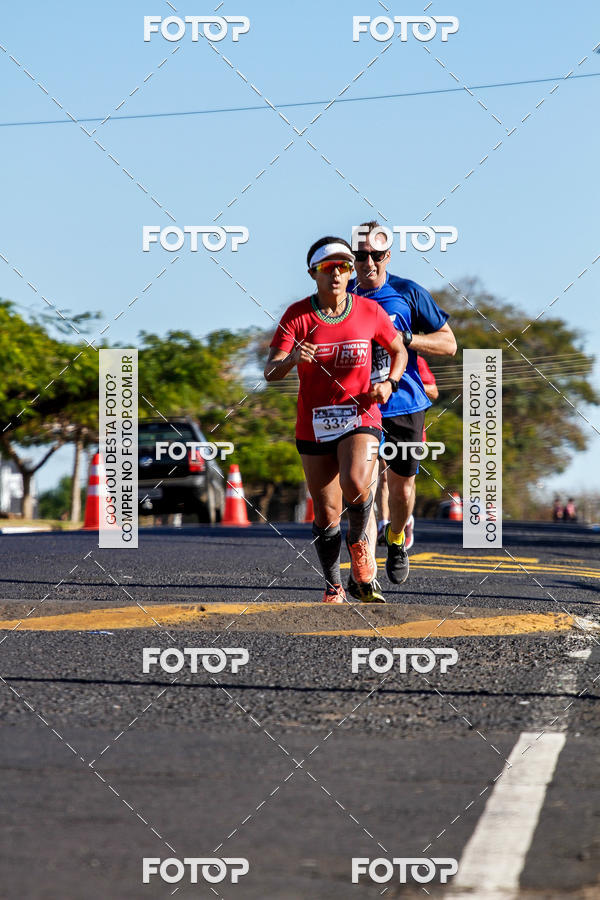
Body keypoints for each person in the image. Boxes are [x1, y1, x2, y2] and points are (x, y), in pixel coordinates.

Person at [264, 235, 407, 603]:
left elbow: (398, 350)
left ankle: (360, 544)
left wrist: (390, 383)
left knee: (357, 482)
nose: (338, 275)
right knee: (326, 512)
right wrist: (293, 358)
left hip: (361, 413)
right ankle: (333, 584)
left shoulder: (368, 311)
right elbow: (270, 372)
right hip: (314, 422)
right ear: (314, 273)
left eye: (344, 267)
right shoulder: (297, 315)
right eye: (329, 269)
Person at [349, 222, 457, 586]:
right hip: (360, 406)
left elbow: (448, 344)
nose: (368, 263)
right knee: (359, 485)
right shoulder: (342, 296)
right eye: (361, 256)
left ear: (387, 255)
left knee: (402, 489)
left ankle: (396, 540)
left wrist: (408, 339)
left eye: (376, 255)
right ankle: (362, 566)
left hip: (404, 404)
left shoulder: (408, 292)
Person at [376, 355, 438, 549]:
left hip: (407, 421)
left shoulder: (416, 359)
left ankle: (405, 521)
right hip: (377, 419)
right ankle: (383, 524)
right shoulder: (370, 354)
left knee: (405, 480)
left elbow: (433, 391)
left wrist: (401, 383)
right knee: (383, 475)